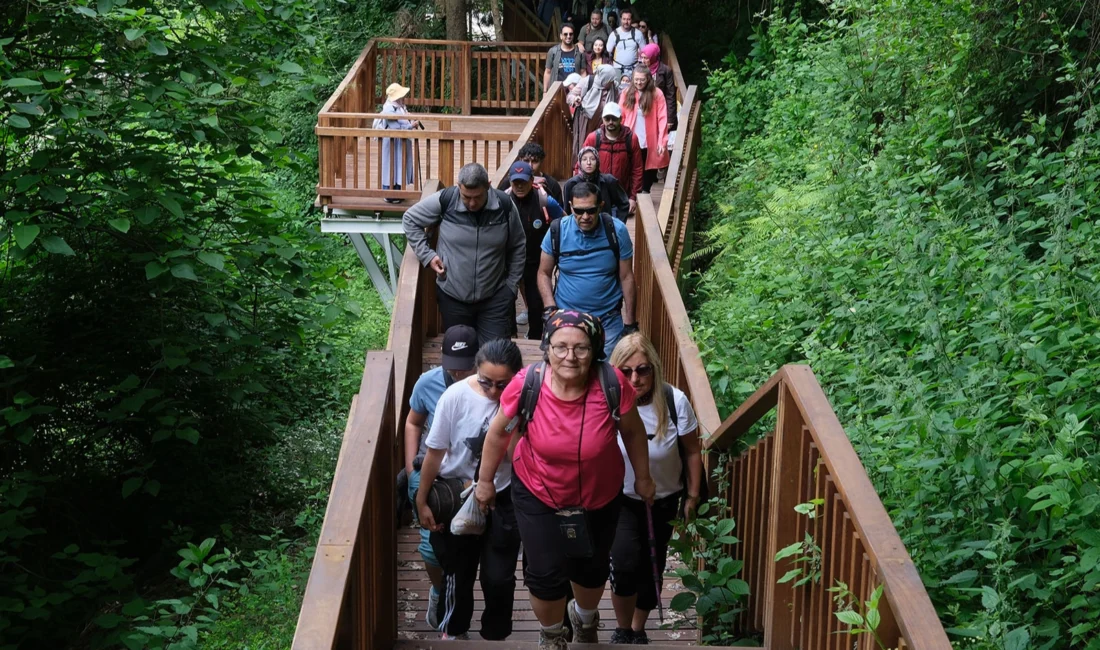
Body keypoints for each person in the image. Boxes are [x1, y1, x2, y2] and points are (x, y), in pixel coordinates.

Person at [474, 310, 657, 649]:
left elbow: (632, 432)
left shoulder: (612, 383)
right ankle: (552, 635)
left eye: (581, 348)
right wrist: (485, 482)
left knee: (591, 569)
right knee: (544, 573)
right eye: (560, 347)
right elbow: (499, 433)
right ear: (547, 348)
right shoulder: (527, 384)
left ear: (595, 349)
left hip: (600, 494)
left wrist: (643, 477)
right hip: (537, 490)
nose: (570, 356)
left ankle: (584, 620)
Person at [416, 339, 525, 641]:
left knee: (499, 575)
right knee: (457, 571)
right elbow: (435, 451)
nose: (493, 391)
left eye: (502, 385)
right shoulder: (455, 396)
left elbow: (517, 455)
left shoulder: (523, 401)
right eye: (486, 382)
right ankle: (453, 629)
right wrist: (422, 499)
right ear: (476, 370)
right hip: (457, 494)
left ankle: (496, 634)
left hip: (502, 496)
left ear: (517, 377)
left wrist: (512, 411)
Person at [607, 333, 703, 644]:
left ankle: (638, 628)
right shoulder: (607, 401)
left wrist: (692, 496)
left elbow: (692, 450)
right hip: (620, 498)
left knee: (653, 563)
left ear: (654, 368)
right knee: (624, 562)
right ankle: (622, 627)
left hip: (664, 499)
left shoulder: (674, 401)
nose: (635, 379)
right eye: (625, 371)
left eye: (642, 369)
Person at [400, 325, 479, 632]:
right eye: (452, 367)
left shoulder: (490, 384)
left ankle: (458, 609)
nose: (458, 373)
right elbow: (413, 422)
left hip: (474, 477)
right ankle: (438, 590)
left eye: (465, 366)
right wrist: (411, 469)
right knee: (432, 547)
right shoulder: (428, 383)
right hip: (433, 475)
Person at [403, 163, 526, 345]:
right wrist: (427, 255)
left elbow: (518, 245)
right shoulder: (446, 200)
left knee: (497, 355)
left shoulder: (504, 205)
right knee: (460, 356)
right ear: (458, 186)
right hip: (452, 296)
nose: (472, 203)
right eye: (466, 197)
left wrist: (511, 286)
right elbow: (409, 219)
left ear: (488, 186)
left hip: (495, 297)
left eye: (478, 197)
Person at [538, 182, 637, 357]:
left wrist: (629, 323)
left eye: (591, 210)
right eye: (578, 211)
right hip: (566, 315)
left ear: (601, 206)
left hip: (607, 317)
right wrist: (549, 307)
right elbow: (543, 273)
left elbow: (627, 277)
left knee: (608, 369)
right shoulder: (557, 231)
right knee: (566, 364)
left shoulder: (616, 231)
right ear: (570, 207)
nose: (585, 216)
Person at [506, 161, 564, 341]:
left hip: (536, 262)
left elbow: (564, 222)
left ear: (532, 180)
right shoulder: (503, 200)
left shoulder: (544, 200)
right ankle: (510, 336)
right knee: (506, 300)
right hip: (509, 261)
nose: (520, 186)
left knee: (536, 303)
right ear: (510, 182)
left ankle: (535, 337)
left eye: (523, 182)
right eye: (516, 182)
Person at [582, 102, 643, 209]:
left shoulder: (631, 139)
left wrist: (633, 197)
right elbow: (580, 165)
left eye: (614, 118)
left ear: (620, 119)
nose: (610, 122)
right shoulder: (593, 138)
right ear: (602, 119)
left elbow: (637, 169)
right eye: (607, 119)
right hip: (597, 195)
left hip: (622, 195)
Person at [619, 65, 669, 194]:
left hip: (650, 136)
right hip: (631, 135)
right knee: (631, 165)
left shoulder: (656, 93)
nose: (639, 82)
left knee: (649, 164)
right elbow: (621, 115)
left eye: (642, 79)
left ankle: (645, 190)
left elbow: (662, 118)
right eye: (636, 79)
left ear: (648, 79)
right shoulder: (626, 93)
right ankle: (632, 192)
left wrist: (662, 141)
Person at [376, 82, 419, 204]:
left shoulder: (399, 107)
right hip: (391, 142)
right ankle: (389, 195)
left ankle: (398, 192)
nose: (403, 98)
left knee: (399, 166)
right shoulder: (389, 108)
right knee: (391, 166)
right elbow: (395, 127)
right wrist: (411, 125)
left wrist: (409, 119)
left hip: (399, 142)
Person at [563, 146, 631, 220]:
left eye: (592, 159)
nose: (588, 163)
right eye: (584, 159)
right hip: (580, 224)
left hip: (604, 225)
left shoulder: (608, 181)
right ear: (579, 162)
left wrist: (616, 223)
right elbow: (567, 212)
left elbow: (623, 204)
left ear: (597, 161)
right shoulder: (571, 184)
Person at [572, 65, 621, 166]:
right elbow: (570, 95)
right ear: (604, 79)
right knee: (582, 144)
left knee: (600, 144)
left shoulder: (614, 87)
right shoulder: (587, 81)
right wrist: (575, 99)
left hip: (603, 121)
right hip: (586, 120)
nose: (612, 82)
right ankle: (579, 167)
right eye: (610, 80)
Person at [640, 42, 678, 132]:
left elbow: (670, 95)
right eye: (642, 57)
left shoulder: (666, 71)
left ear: (653, 57)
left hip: (660, 108)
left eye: (646, 58)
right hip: (644, 109)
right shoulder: (640, 70)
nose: (643, 61)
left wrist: (670, 119)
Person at [544, 23, 590, 92]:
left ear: (573, 36)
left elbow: (583, 72)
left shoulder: (580, 52)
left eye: (570, 34)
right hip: (557, 90)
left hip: (574, 91)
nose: (568, 36)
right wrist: (545, 91)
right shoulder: (553, 51)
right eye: (565, 34)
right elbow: (548, 72)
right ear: (561, 36)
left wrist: (582, 90)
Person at [605, 8, 646, 75]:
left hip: (634, 68)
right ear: (620, 19)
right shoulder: (614, 34)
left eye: (628, 19)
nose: (626, 22)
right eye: (624, 19)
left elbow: (644, 51)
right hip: (618, 68)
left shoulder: (638, 34)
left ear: (631, 20)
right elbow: (608, 50)